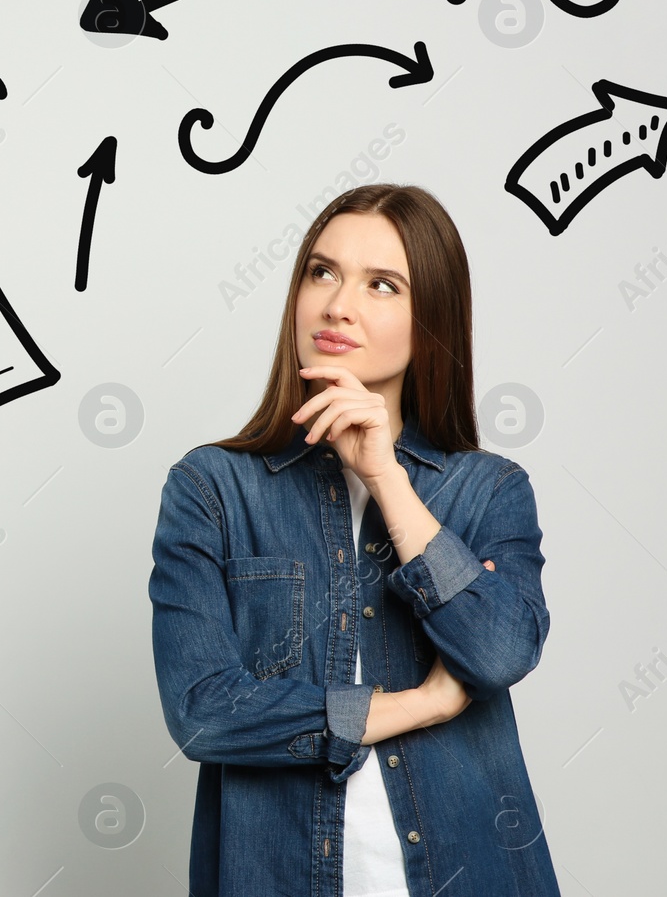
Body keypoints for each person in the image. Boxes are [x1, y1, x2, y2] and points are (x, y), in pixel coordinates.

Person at [149, 184, 560, 897]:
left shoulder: (489, 490)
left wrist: (387, 479)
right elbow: (204, 715)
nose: (338, 304)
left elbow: (499, 651)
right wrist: (421, 704)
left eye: (382, 285)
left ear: (430, 318)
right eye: (322, 271)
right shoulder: (213, 488)